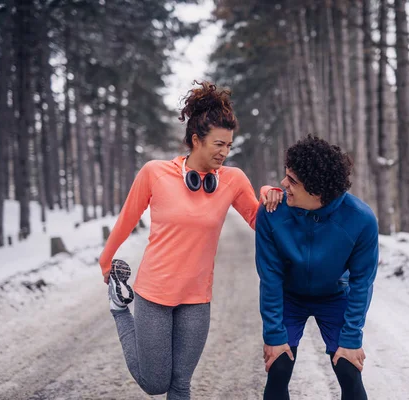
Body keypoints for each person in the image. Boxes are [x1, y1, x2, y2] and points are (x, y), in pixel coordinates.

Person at [98, 81, 282, 400]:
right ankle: (118, 309)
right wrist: (106, 260)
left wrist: (268, 194)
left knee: (181, 384)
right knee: (155, 383)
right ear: (196, 140)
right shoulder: (154, 173)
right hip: (153, 293)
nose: (224, 152)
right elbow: (127, 218)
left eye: (229, 145)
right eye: (218, 144)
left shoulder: (233, 180)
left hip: (197, 298)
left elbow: (259, 221)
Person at [255, 135, 379, 400]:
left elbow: (362, 282)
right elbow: (270, 278)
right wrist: (274, 334)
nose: (283, 184)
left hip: (334, 296)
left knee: (348, 367)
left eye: (293, 181)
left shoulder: (361, 219)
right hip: (289, 296)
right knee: (278, 365)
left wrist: (351, 339)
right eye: (286, 175)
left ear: (317, 190)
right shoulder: (271, 212)